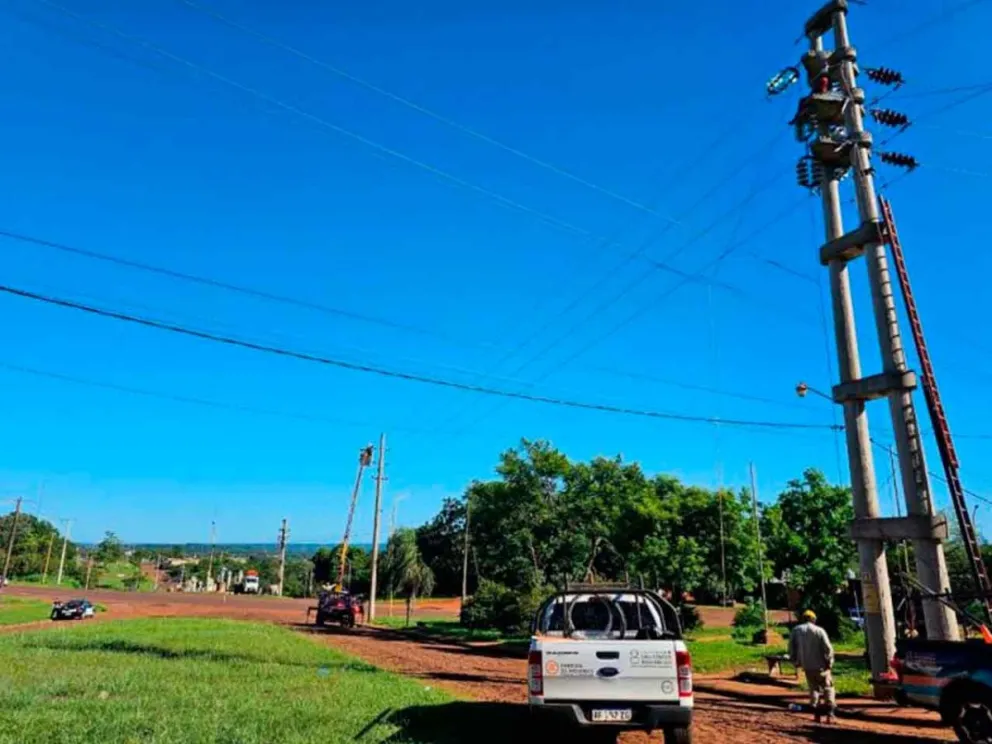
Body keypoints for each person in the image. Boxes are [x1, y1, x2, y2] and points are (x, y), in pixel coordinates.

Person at [788, 609, 836, 724]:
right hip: (821, 666)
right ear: (813, 619)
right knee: (828, 688)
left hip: (807, 666)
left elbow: (791, 648)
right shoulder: (819, 630)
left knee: (814, 690)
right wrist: (829, 663)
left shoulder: (796, 630)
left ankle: (816, 716)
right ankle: (830, 715)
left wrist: (795, 661)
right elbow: (828, 648)